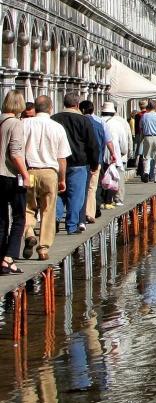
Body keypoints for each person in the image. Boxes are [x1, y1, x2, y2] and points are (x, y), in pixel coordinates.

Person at [21, 95, 69, 262]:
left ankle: (28, 234)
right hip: (49, 172)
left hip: (29, 172)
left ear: (35, 108)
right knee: (48, 210)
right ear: (50, 109)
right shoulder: (57, 127)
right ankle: (43, 249)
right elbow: (62, 158)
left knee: (27, 207)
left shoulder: (24, 124)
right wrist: (62, 179)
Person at [52, 93, 98, 234]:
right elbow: (92, 144)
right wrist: (94, 163)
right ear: (77, 105)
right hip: (78, 162)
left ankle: (55, 218)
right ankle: (71, 225)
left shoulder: (54, 119)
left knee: (59, 192)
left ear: (63, 104)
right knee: (76, 195)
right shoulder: (83, 121)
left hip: (57, 162)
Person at [0, 90, 31, 275]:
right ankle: (9, 257)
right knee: (20, 217)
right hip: (10, 176)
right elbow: (15, 153)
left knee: (2, 219)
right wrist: (25, 175)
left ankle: (1, 256)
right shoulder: (16, 124)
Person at [78, 99, 113, 225]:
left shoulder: (79, 122)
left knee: (80, 188)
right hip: (96, 160)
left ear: (81, 110)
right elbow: (108, 140)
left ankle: (79, 215)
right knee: (92, 188)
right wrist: (113, 154)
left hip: (80, 161)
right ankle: (89, 213)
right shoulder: (100, 123)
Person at [101, 102, 131, 208]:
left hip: (100, 155)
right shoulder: (118, 123)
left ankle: (102, 200)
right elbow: (123, 141)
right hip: (115, 154)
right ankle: (118, 199)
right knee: (117, 177)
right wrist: (123, 152)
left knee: (102, 178)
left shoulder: (97, 121)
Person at [137, 101, 156, 182]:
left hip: (147, 137)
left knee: (146, 156)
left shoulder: (144, 116)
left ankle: (146, 172)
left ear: (148, 108)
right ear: (155, 107)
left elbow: (141, 127)